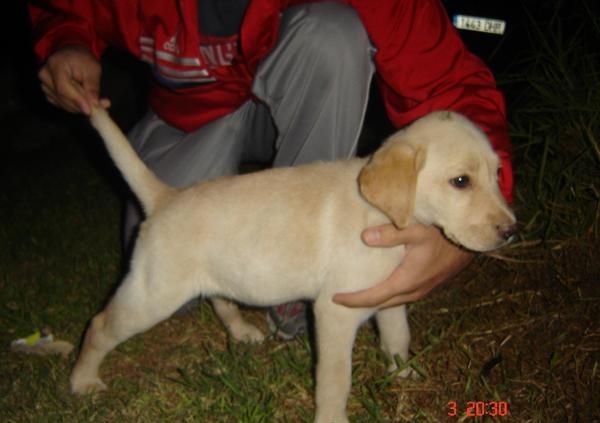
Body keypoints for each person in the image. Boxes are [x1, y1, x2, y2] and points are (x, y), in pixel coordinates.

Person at [29, 0, 513, 339]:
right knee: (171, 277)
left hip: (280, 94)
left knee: (334, 36)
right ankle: (226, 280)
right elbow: (64, 9)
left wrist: (480, 200)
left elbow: (448, 84)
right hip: (187, 118)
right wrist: (66, 40)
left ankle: (301, 272)